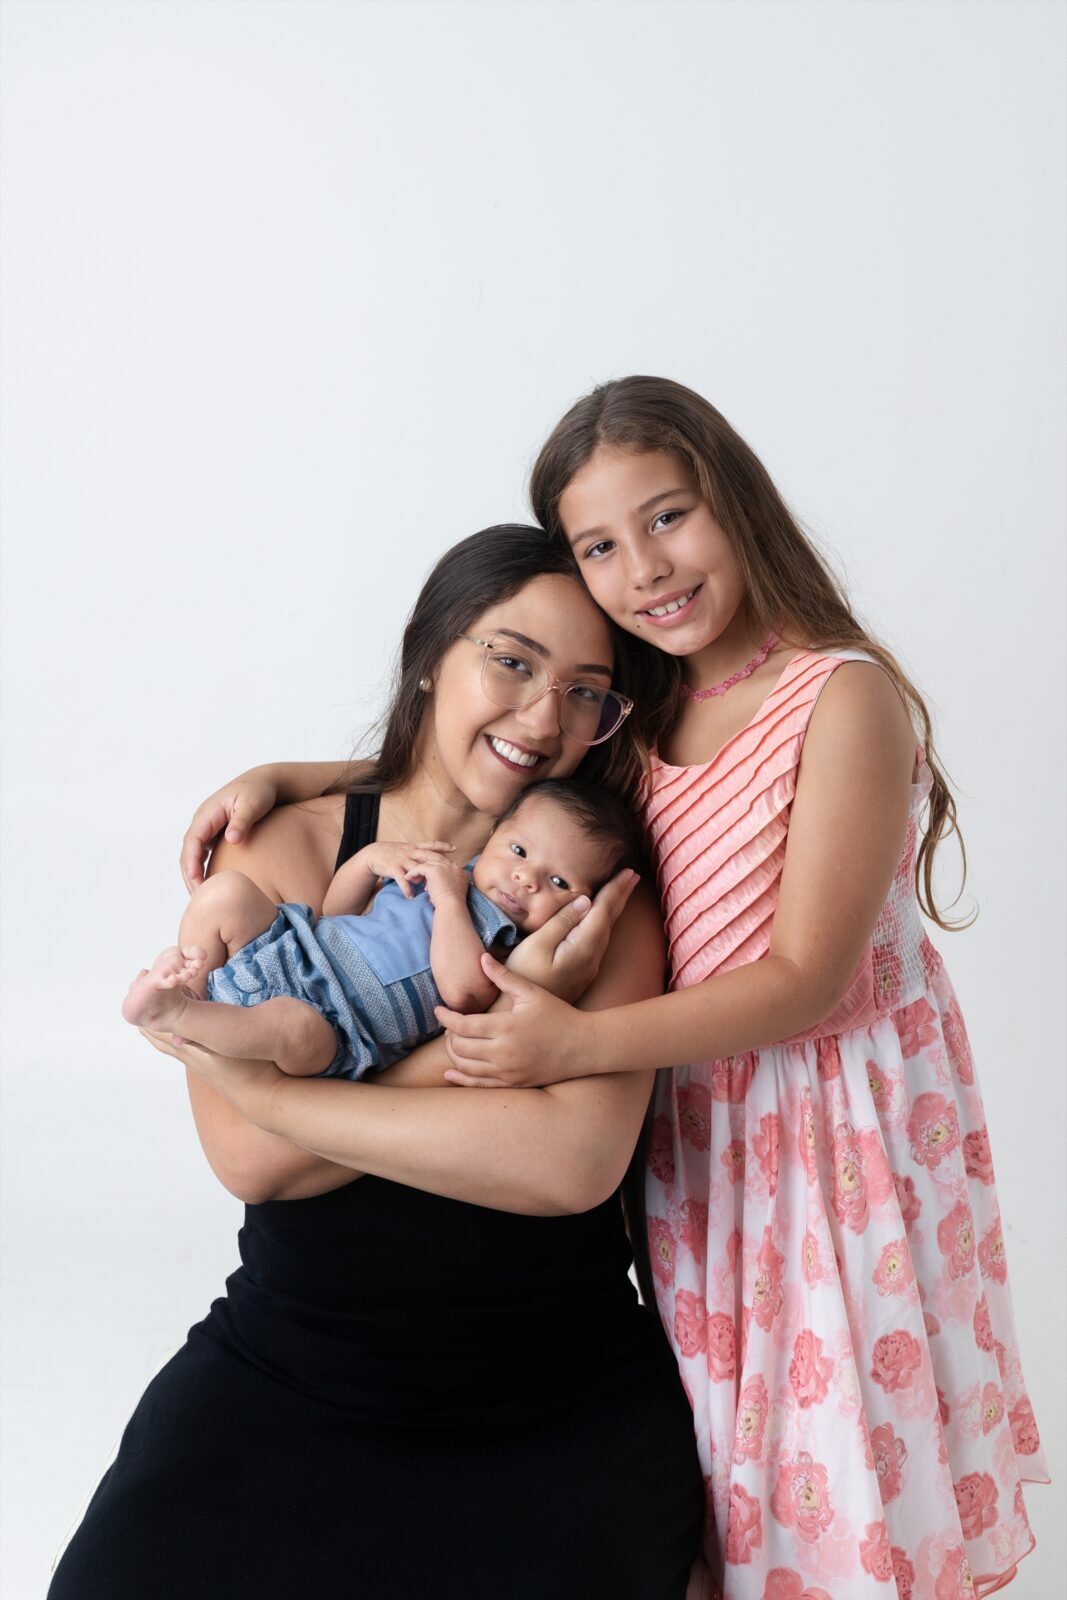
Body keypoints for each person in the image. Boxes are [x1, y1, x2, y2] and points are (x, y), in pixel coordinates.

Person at [226, 379, 1047, 1598]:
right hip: (704, 1146)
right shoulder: (639, 711)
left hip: (827, 1137)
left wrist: (567, 1046)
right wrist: (291, 773)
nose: (644, 567)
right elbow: (496, 745)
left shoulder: (838, 695)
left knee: (837, 1454)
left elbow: (804, 980)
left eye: (667, 517)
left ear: (734, 498)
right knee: (736, 1461)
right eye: (600, 546)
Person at [48, 525, 706, 1600]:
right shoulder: (289, 845)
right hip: (294, 1370)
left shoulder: (590, 896)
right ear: (432, 653)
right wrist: (483, 1041)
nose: (545, 719)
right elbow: (253, 1160)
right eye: (511, 661)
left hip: (549, 1399)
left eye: (587, 691)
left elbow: (567, 1163)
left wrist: (282, 1093)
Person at [122, 779, 640, 1081]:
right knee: (227, 892)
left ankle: (184, 1016)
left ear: (581, 906)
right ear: (494, 835)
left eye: (558, 881)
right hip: (301, 950)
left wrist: (449, 902)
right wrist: (368, 861)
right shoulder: (442, 869)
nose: (526, 879)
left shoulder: (509, 938)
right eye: (519, 851)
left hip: (337, 1028)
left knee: (291, 1025)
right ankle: (190, 984)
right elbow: (335, 913)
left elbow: (464, 993)